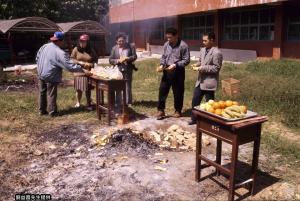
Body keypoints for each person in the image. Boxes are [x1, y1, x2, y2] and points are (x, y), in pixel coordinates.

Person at [36, 32, 91, 117]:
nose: (64, 43)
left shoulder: (44, 46)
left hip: (41, 72)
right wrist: (82, 70)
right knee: (51, 94)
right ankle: (52, 112)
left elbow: (37, 57)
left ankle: (42, 111)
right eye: (63, 41)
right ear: (60, 41)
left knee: (42, 92)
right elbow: (69, 66)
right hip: (50, 75)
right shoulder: (59, 52)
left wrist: (40, 67)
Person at [188, 32, 223, 125]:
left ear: (212, 40)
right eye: (202, 40)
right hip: (200, 81)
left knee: (210, 104)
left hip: (209, 82)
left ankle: (211, 122)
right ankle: (194, 119)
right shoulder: (203, 50)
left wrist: (201, 68)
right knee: (195, 100)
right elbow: (201, 61)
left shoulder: (217, 52)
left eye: (205, 40)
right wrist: (196, 64)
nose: (203, 42)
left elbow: (216, 68)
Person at [156, 27, 190, 120]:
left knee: (178, 92)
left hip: (178, 71)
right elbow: (163, 56)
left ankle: (178, 110)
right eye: (167, 37)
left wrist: (175, 65)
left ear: (176, 36)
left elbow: (186, 60)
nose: (168, 39)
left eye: (170, 37)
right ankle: (161, 110)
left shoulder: (183, 46)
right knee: (162, 90)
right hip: (167, 70)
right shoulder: (166, 44)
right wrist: (162, 65)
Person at [109, 33, 137, 106]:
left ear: (125, 40)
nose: (121, 42)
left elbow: (134, 56)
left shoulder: (130, 47)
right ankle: (118, 102)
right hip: (118, 70)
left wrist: (128, 58)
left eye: (122, 41)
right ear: (116, 41)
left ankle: (128, 102)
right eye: (119, 41)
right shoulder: (114, 48)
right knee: (118, 85)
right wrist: (117, 61)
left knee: (128, 85)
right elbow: (110, 60)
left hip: (128, 68)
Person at [71, 34, 98, 110]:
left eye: (85, 42)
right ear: (79, 41)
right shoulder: (76, 49)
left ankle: (88, 103)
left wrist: (91, 64)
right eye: (81, 41)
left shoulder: (91, 50)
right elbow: (72, 59)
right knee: (78, 89)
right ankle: (78, 102)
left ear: (87, 42)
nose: (83, 43)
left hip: (88, 72)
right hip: (78, 72)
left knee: (88, 89)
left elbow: (96, 60)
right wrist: (80, 62)